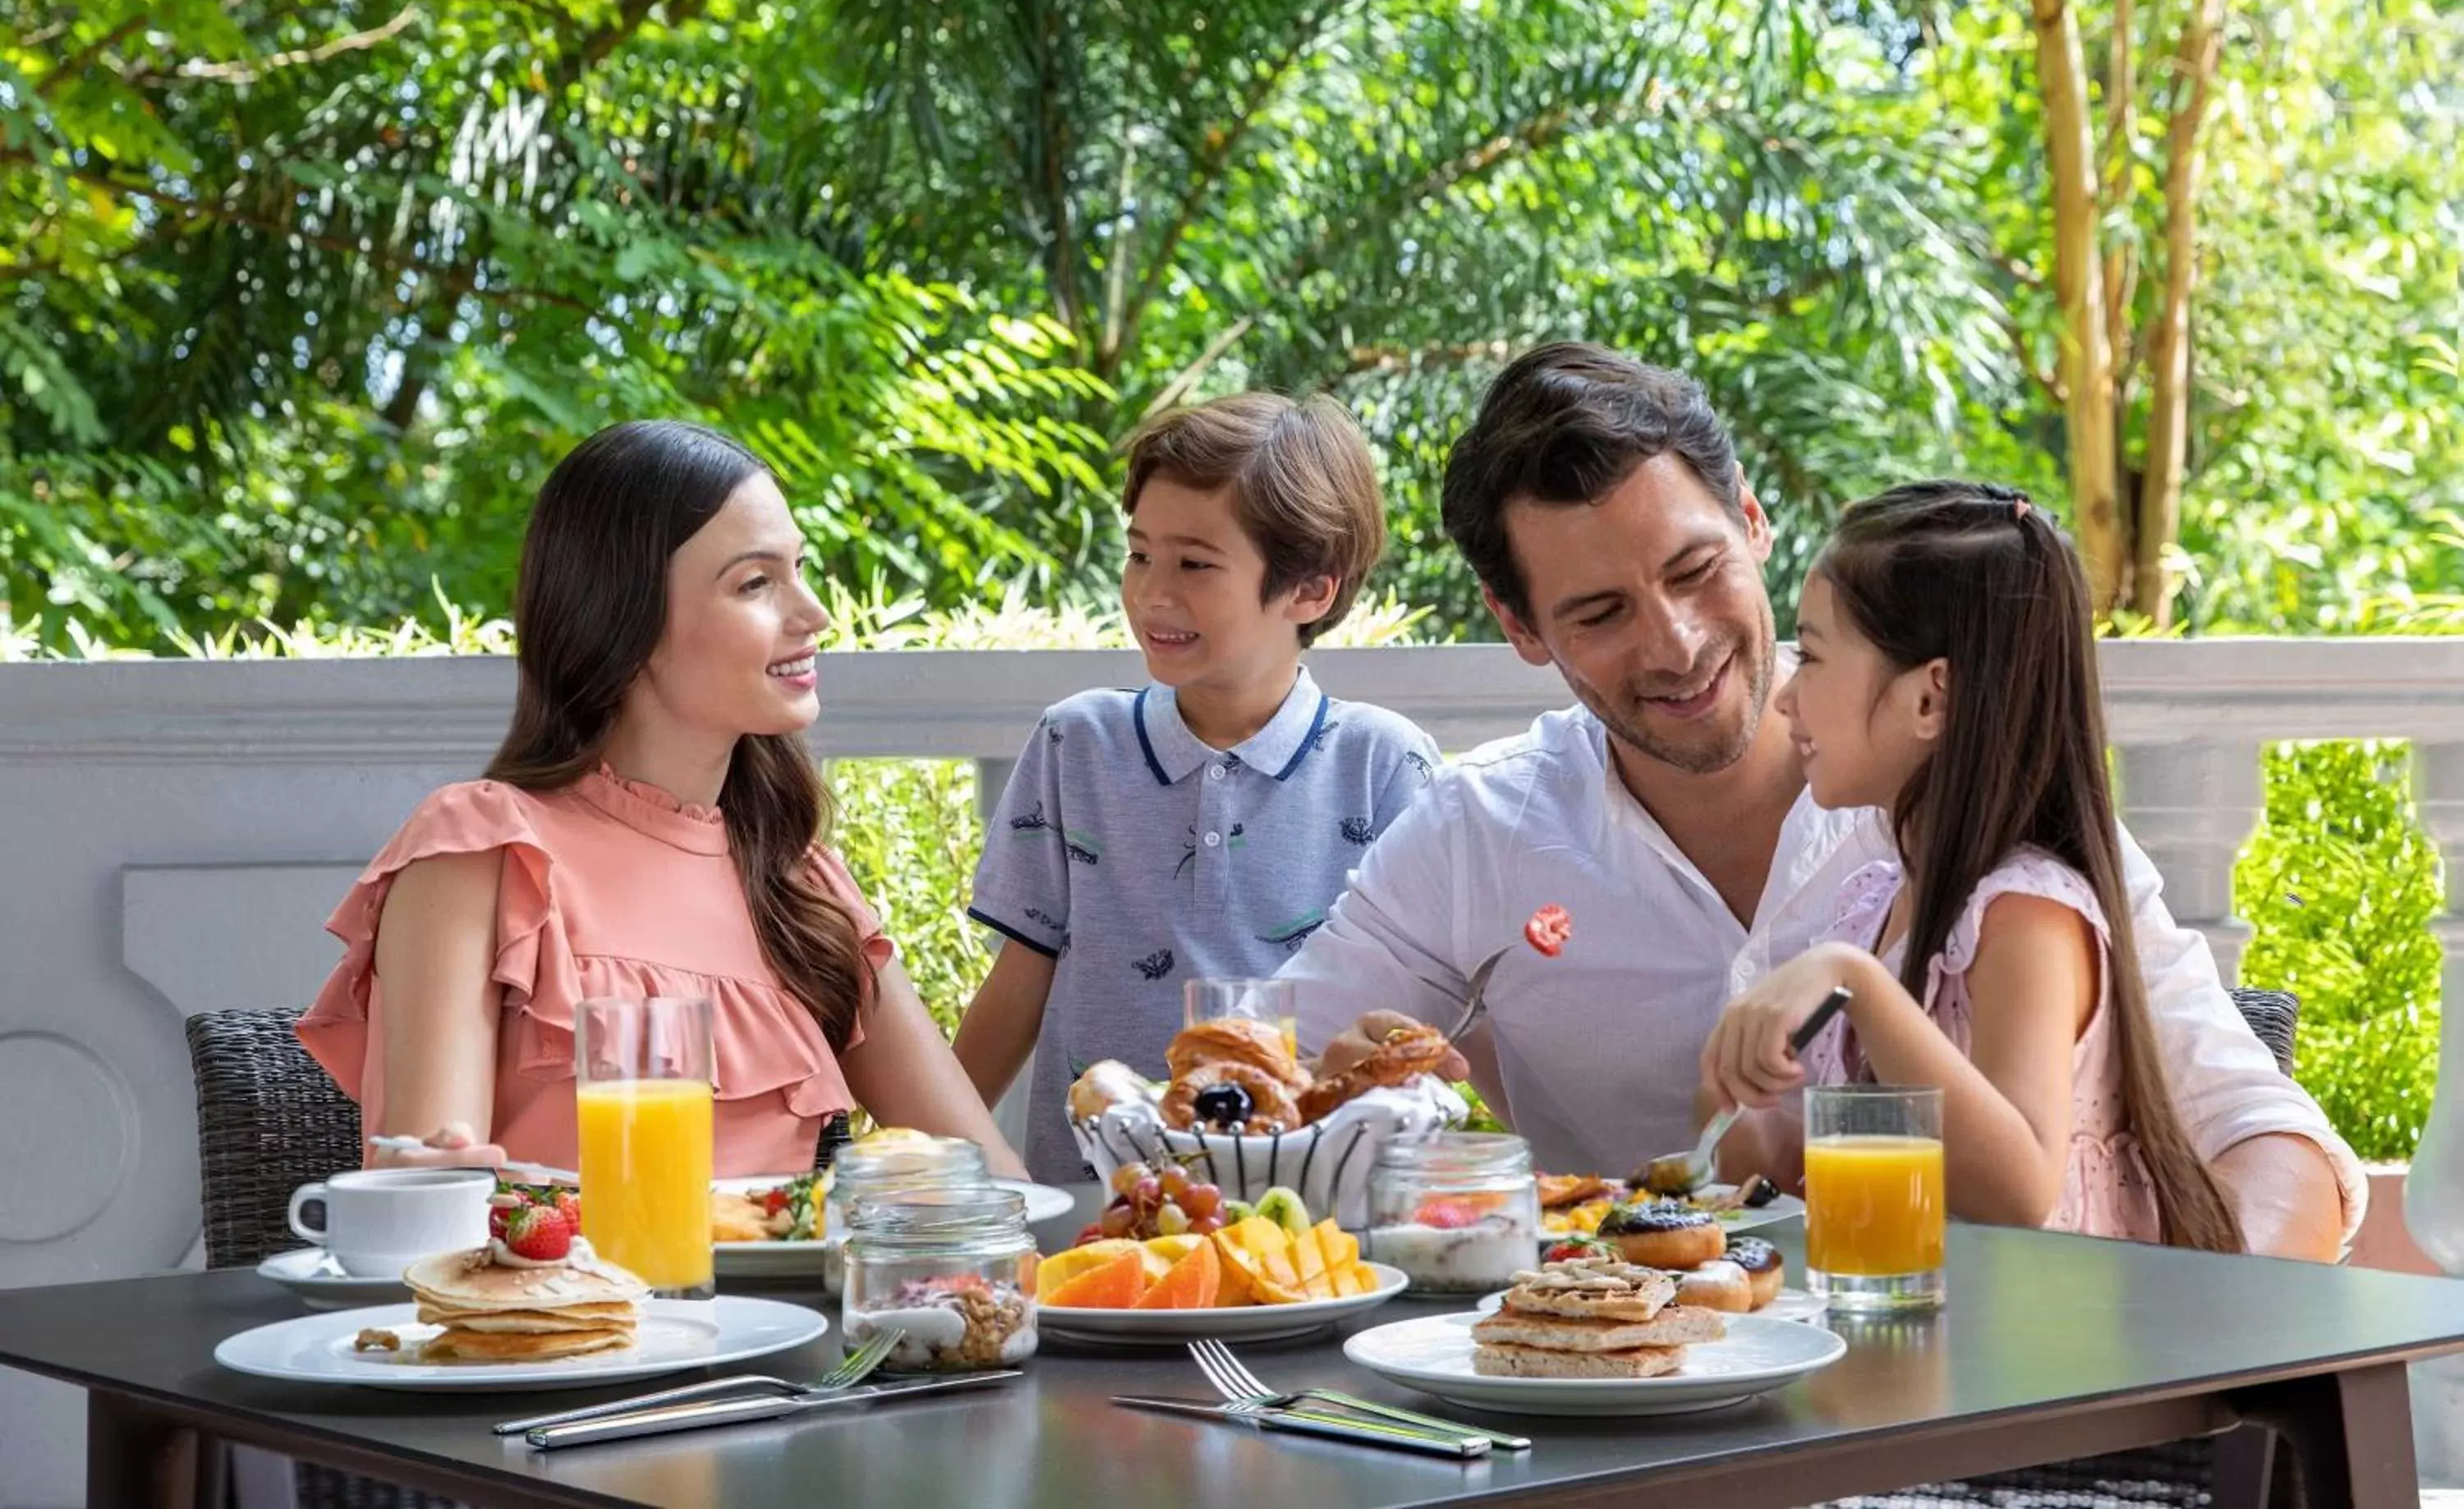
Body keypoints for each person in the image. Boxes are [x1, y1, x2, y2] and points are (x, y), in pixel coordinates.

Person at [1284, 343, 2361, 1258]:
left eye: (1696, 568)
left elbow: (2259, 1133)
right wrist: (1371, 1096)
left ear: (1752, 521)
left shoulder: (1994, 833)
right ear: (1521, 628)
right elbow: (1256, 1090)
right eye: (1603, 612)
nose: (1678, 643)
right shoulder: (1481, 832)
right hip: (1649, 1404)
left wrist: (2187, 1378)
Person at [297, 421, 1026, 1180]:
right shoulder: (484, 848)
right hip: (548, 1299)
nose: (813, 615)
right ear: (626, 621)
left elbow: (988, 1180)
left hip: (791, 1304)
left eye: (800, 570)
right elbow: (425, 1202)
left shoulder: (801, 883)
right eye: (755, 583)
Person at [1700, 481, 2238, 1247]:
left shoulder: (2026, 915)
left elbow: (2017, 1189)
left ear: (1932, 698)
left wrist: (1853, 982)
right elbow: (1799, 1165)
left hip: (2047, 1348)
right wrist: (1736, 1100)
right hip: (1904, 1317)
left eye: (1811, 656)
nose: (1786, 699)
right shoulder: (1877, 901)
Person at [953, 392, 1439, 1183]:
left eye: (1195, 563)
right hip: (1094, 1213)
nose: (1151, 594)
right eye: (1140, 554)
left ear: (1311, 590)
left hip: (1313, 1221)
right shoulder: (1074, 743)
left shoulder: (1386, 765)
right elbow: (1019, 980)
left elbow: (1414, 1012)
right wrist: (923, 1157)